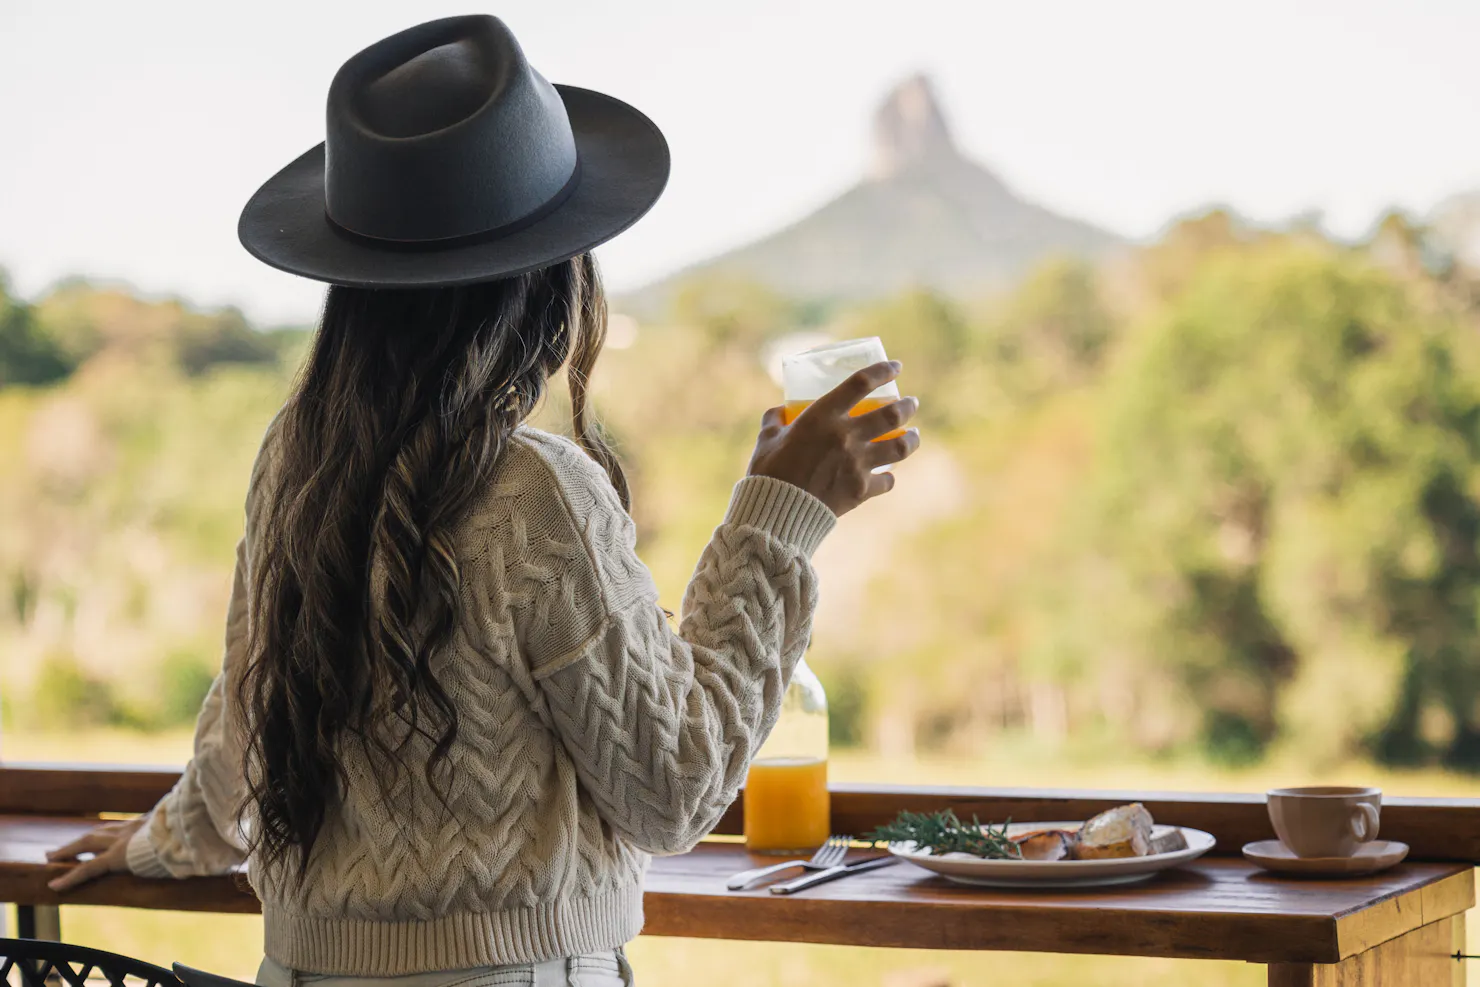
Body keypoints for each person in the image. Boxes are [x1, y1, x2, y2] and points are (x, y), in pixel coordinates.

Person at [44, 14, 919, 987]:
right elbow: (673, 789)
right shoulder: (534, 492)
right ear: (550, 283)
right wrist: (778, 516)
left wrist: (155, 844)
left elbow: (245, 726)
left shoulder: (297, 464)